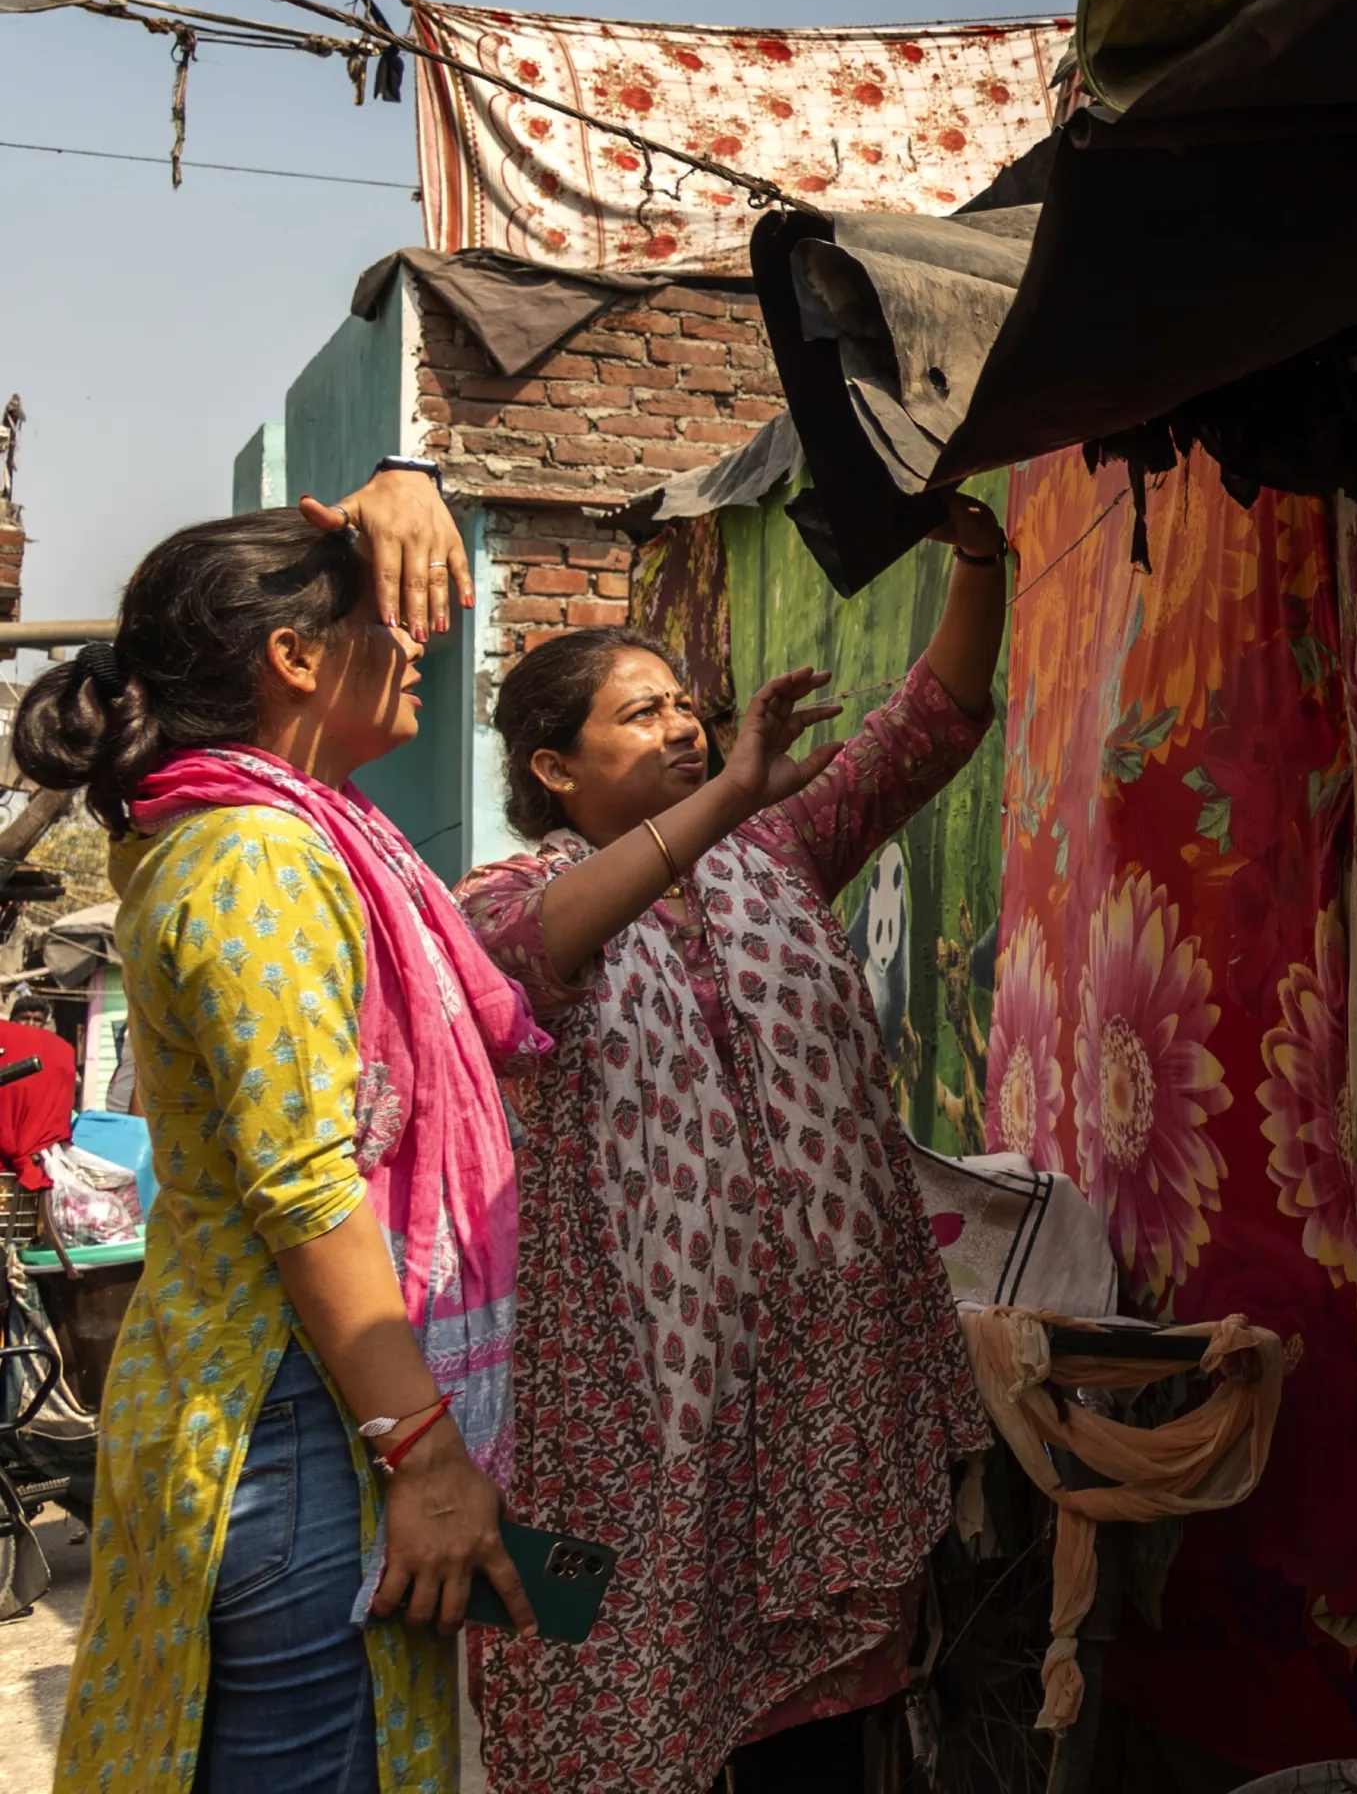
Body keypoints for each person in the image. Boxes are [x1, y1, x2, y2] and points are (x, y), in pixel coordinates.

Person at [455, 492, 1007, 1794]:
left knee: (818, 1738)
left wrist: (980, 556)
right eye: (640, 712)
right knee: (624, 1719)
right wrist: (728, 799)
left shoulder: (773, 854)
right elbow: (537, 955)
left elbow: (927, 726)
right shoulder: (508, 903)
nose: (684, 726)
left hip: (815, 1400)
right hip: (630, 1428)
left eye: (684, 705)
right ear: (552, 768)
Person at [19, 472, 548, 1794]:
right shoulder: (255, 853)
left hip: (297, 1410)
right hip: (301, 1417)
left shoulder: (238, 834)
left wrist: (404, 487)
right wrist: (425, 1460)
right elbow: (308, 1190)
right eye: (384, 617)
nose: (416, 639)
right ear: (296, 657)